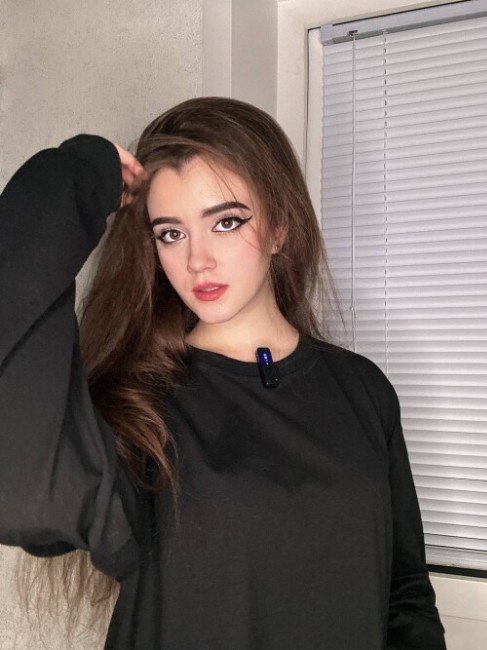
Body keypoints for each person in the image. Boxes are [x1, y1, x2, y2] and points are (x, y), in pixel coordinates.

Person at [0, 97, 446, 649]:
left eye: (226, 222)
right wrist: (73, 176)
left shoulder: (363, 390)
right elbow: (19, 493)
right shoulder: (136, 408)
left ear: (280, 227)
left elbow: (405, 595)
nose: (197, 261)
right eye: (171, 233)